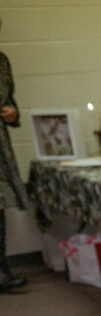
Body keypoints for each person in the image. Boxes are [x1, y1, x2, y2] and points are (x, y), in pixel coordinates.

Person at [0, 26, 29, 292]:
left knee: (1, 207)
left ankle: (1, 271)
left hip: (1, 148)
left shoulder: (2, 62)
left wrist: (12, 113)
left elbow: (9, 100)